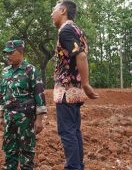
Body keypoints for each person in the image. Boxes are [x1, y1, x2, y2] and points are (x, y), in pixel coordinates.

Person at [51, 1, 99, 170]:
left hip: (67, 91)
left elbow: (81, 57)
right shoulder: (78, 29)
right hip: (75, 91)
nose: (51, 14)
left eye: (54, 10)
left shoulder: (65, 30)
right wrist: (82, 84)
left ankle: (73, 167)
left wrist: (86, 84)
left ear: (63, 11)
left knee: (67, 132)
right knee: (74, 131)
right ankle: (78, 166)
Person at [0, 39, 47, 170]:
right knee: (9, 152)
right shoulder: (5, 72)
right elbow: (2, 96)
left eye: (10, 53)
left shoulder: (31, 70)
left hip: (26, 120)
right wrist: (0, 117)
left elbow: (40, 96)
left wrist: (40, 120)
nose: (7, 56)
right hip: (9, 120)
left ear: (20, 51)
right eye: (6, 53)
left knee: (27, 154)